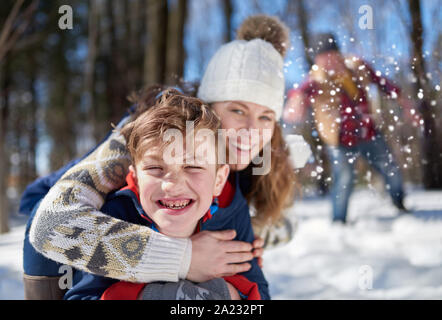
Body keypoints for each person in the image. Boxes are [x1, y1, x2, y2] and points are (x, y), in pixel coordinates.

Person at [22, 15, 308, 298]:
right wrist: (184, 257)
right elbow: (51, 225)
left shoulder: (263, 152)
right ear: (206, 107)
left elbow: (287, 221)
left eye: (265, 117)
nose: (251, 130)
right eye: (237, 110)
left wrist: (245, 237)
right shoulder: (150, 135)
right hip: (53, 223)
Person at [64, 89, 266, 300]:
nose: (172, 185)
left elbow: (260, 292)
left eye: (192, 166)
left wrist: (229, 292)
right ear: (136, 179)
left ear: (218, 180)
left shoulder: (230, 218)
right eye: (155, 168)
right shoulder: (115, 217)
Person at [283, 33, 418, 224]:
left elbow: (383, 83)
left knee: (391, 169)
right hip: (340, 141)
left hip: (369, 133)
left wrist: (404, 101)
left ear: (338, 54)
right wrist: (295, 102)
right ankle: (339, 221)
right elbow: (300, 91)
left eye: (331, 56)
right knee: (344, 179)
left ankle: (400, 204)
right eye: (323, 59)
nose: (328, 62)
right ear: (317, 61)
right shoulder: (317, 79)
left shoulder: (357, 68)